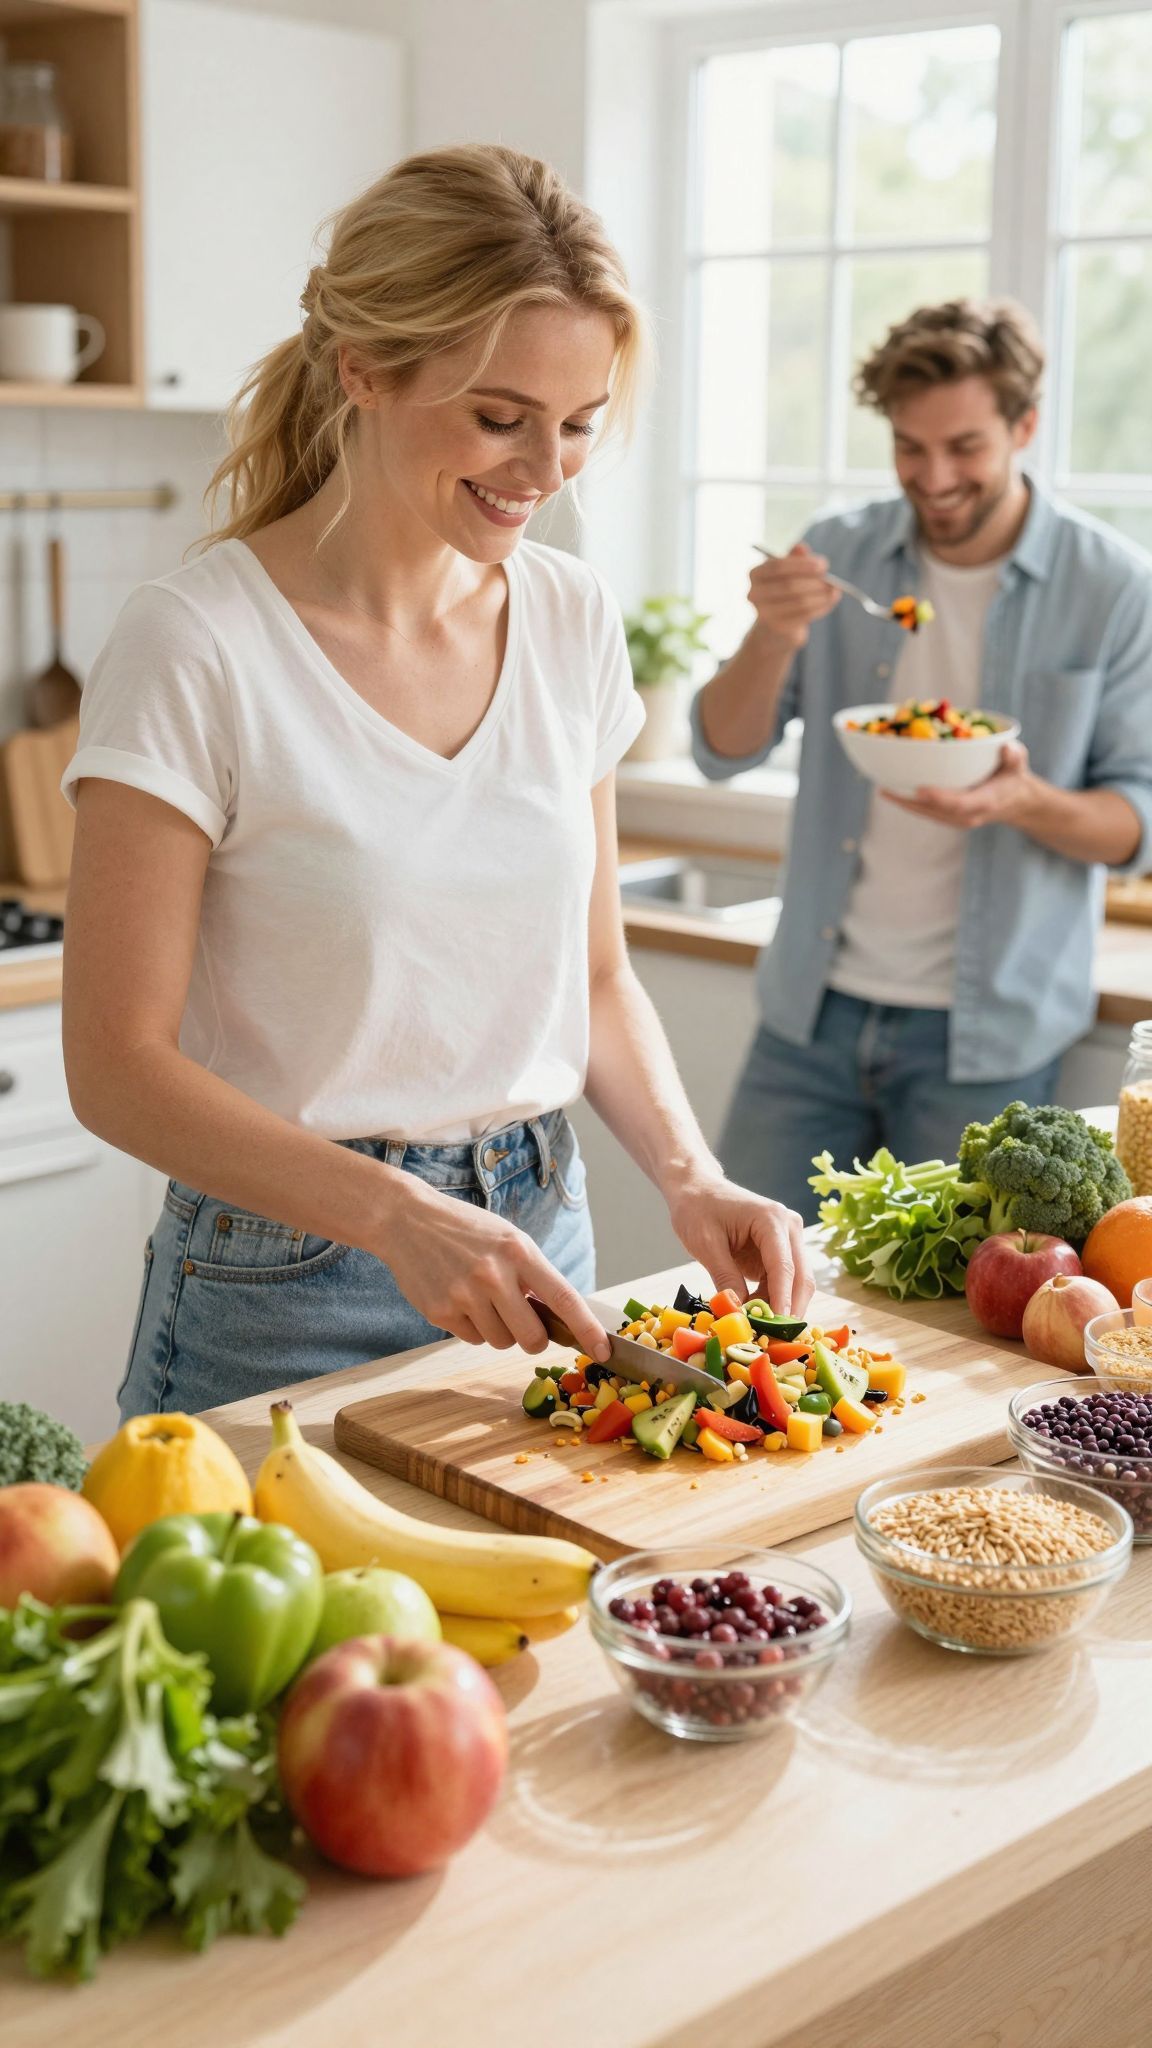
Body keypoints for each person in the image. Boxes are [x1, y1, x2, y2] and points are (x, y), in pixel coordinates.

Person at [62, 144, 811, 1420]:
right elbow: (115, 1061)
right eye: (499, 415)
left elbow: (593, 972)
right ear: (363, 367)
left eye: (578, 424)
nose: (547, 467)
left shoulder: (569, 617)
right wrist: (397, 1213)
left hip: (542, 1235)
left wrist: (692, 1176)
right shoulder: (198, 641)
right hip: (284, 1280)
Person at [691, 298, 1152, 1222]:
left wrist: (1021, 801)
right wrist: (773, 634)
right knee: (738, 1287)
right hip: (809, 1016)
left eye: (966, 448)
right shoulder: (843, 551)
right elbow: (720, 749)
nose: (934, 478)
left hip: (987, 1044)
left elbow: (1136, 825)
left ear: (1024, 426)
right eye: (910, 447)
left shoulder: (1110, 586)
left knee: (940, 1323)